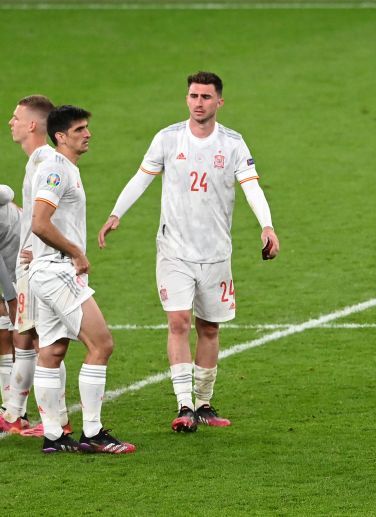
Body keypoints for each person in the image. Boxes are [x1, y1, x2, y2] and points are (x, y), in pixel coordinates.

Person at [98, 71, 279, 433]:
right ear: (187, 99)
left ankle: (205, 403)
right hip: (174, 249)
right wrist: (117, 212)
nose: (199, 103)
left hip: (215, 252)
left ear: (219, 102)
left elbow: (252, 188)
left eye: (206, 97)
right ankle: (184, 406)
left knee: (209, 328)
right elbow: (141, 177)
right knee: (179, 322)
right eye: (193, 96)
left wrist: (267, 224)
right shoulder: (167, 139)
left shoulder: (232, 144)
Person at [28, 105, 135, 453]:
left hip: (43, 273)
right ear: (60, 136)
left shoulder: (64, 168)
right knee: (101, 344)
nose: (87, 134)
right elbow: (40, 223)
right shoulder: (56, 171)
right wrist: (76, 251)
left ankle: (54, 437)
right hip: (58, 271)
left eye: (87, 127)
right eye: (79, 129)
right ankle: (92, 432)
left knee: (53, 351)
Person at [1, 95, 71, 436]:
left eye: (16, 118)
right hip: (35, 261)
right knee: (27, 336)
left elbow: (48, 214)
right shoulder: (38, 161)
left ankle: (51, 419)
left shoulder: (45, 160)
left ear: (32, 124)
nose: (10, 123)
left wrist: (37, 245)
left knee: (44, 340)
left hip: (40, 265)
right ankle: (16, 413)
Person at [0, 184, 20, 407]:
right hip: (12, 258)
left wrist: (10, 298)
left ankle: (11, 406)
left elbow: (6, 193)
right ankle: (12, 407)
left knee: (8, 324)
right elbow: (7, 192)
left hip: (14, 255)